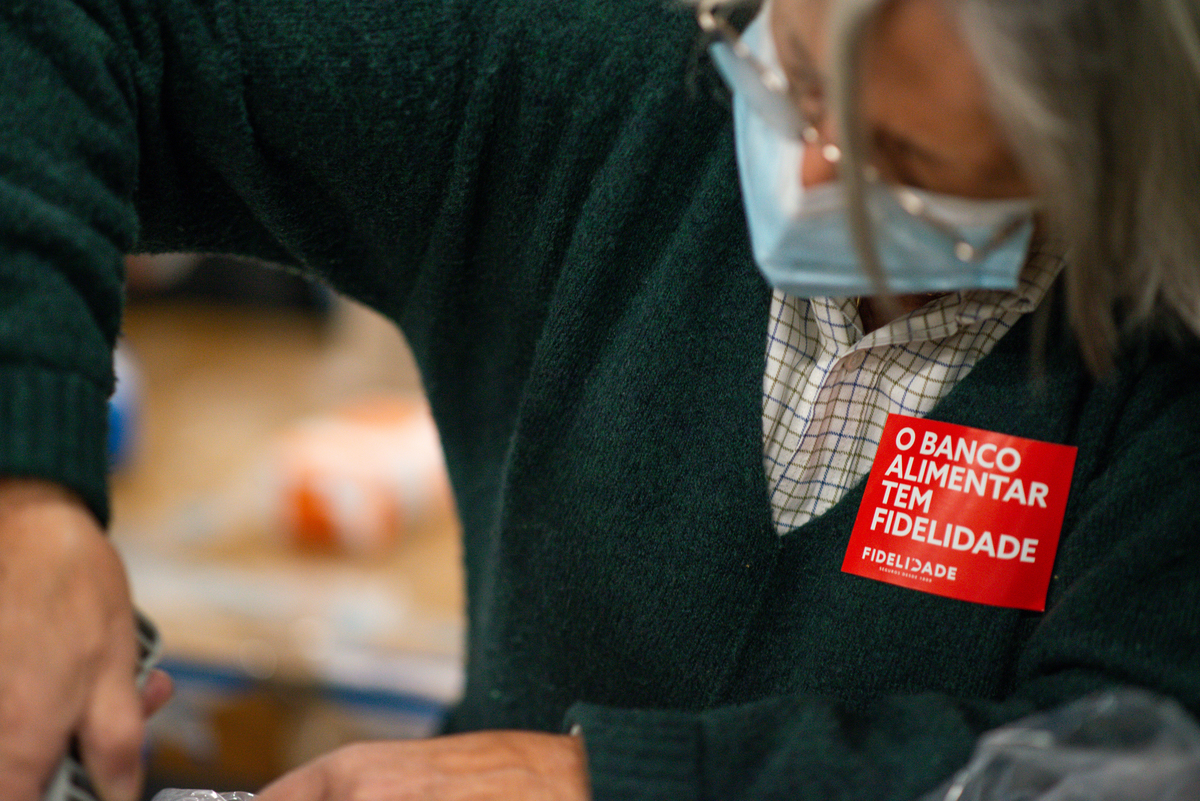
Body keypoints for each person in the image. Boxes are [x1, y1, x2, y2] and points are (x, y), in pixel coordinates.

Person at [1, 0, 1199, 798]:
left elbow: (1131, 761)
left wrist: (606, 784)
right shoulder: (591, 77)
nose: (810, 173)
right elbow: (78, 27)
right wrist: (30, 485)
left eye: (911, 165)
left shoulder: (1163, 361)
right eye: (788, 81)